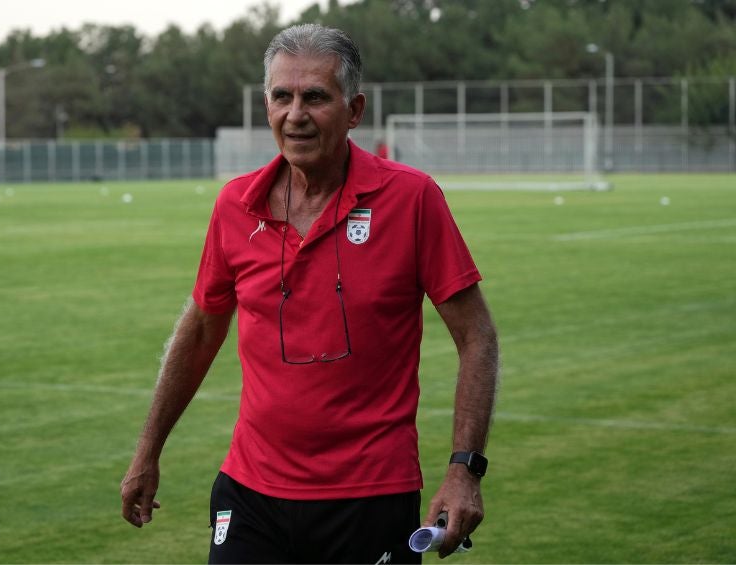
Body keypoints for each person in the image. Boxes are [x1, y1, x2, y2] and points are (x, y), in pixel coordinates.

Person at [121, 23, 499, 564]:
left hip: (370, 497)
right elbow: (203, 327)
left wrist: (465, 469)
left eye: (315, 96)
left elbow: (476, 336)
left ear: (355, 110)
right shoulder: (235, 204)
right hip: (250, 491)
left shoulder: (411, 198)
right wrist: (147, 452)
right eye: (282, 96)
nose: (294, 114)